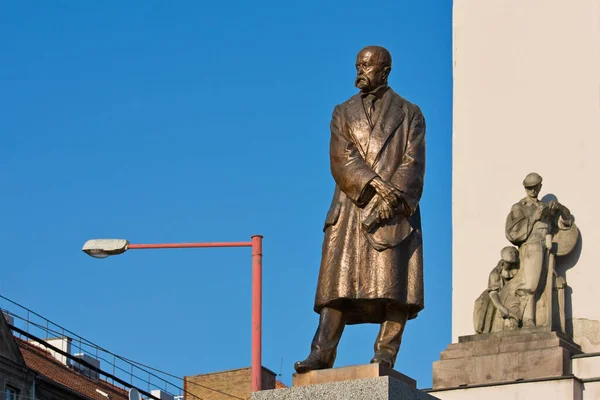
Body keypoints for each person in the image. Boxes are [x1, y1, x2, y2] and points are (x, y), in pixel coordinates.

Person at [294, 45, 426, 372]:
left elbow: (413, 163)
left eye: (367, 66)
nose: (360, 72)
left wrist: (391, 197)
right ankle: (322, 351)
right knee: (336, 288)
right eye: (357, 65)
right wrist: (374, 186)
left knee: (395, 286)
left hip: (394, 208)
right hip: (353, 204)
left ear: (385, 70)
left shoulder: (410, 113)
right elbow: (341, 158)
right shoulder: (342, 111)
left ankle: (386, 353)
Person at [505, 172, 572, 327]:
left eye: (535, 187)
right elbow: (512, 232)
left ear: (540, 187)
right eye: (529, 188)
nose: (532, 191)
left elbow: (567, 221)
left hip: (547, 246)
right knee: (531, 284)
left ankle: (536, 319)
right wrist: (535, 216)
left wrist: (559, 208)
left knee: (543, 284)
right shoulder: (519, 207)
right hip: (532, 245)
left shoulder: (545, 206)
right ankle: (523, 318)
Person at [473, 246, 520, 334]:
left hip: (512, 295)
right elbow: (493, 293)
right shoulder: (495, 273)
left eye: (515, 253)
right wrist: (502, 308)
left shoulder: (519, 268)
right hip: (495, 295)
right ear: (504, 256)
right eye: (511, 253)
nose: (514, 255)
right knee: (484, 304)